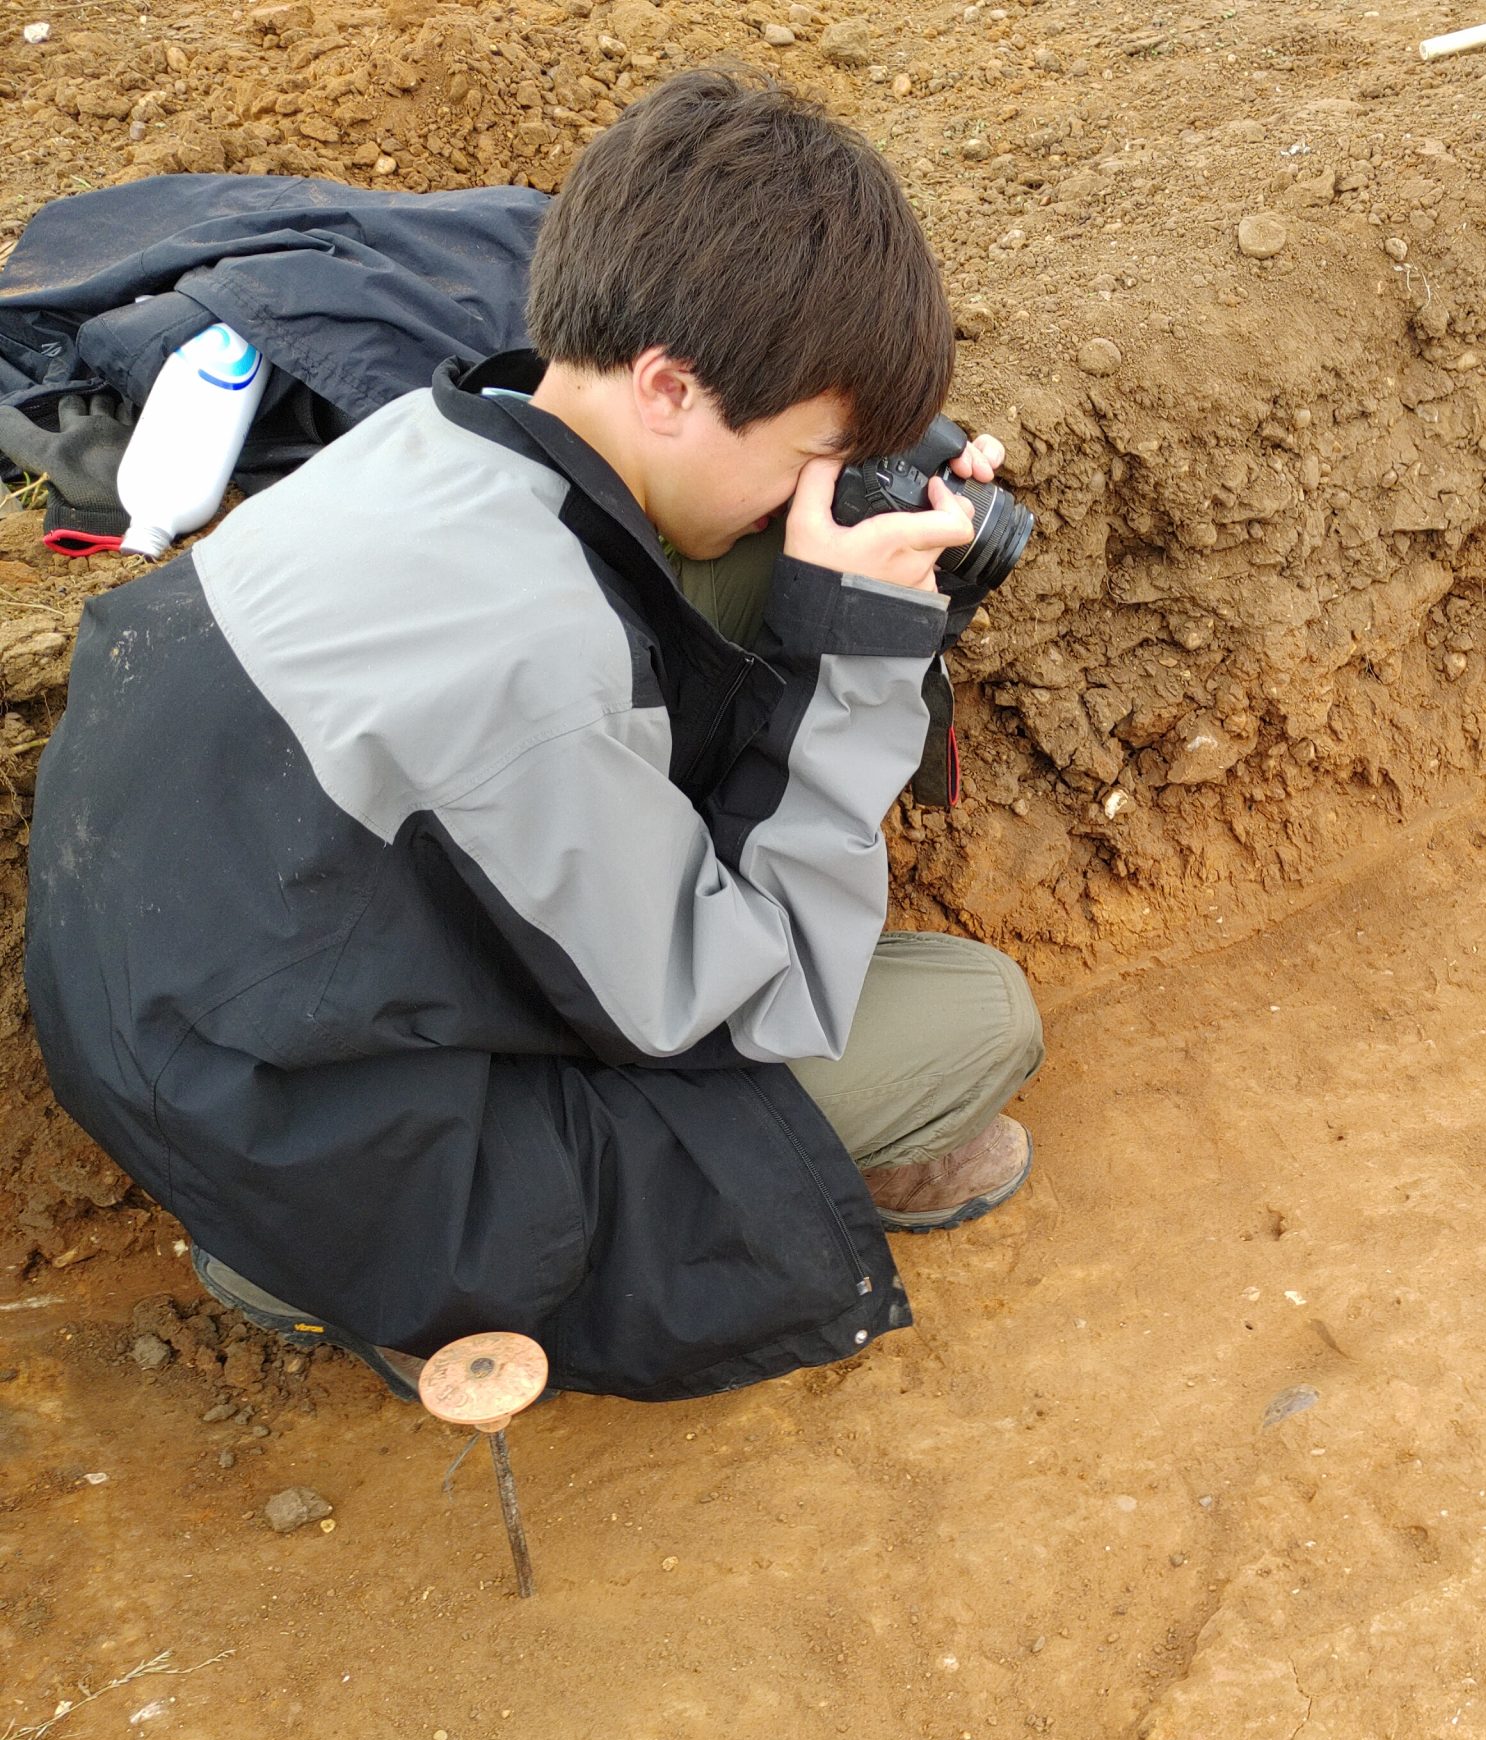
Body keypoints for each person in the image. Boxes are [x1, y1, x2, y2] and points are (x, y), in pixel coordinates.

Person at [23, 70, 1043, 1402]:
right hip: (332, 1156)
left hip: (199, 1040)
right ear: (671, 386)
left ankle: (295, 1238)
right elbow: (759, 994)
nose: (816, 489)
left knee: (712, 588)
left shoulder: (425, 443)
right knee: (972, 1023)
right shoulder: (536, 667)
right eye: (811, 453)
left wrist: (839, 515)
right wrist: (859, 653)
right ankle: (329, 1271)